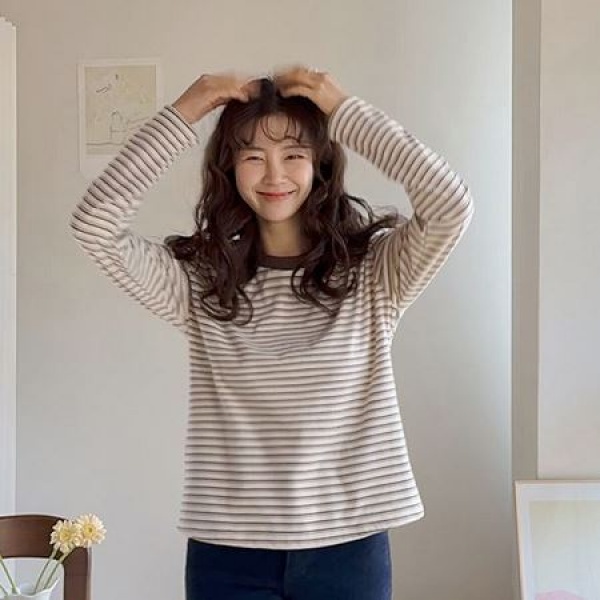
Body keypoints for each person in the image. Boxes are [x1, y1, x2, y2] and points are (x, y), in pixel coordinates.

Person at [70, 66, 473, 600]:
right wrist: (186, 111)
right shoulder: (201, 283)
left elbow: (450, 206)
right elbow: (94, 226)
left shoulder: (374, 274)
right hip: (227, 553)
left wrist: (343, 109)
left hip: (349, 546)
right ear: (229, 167)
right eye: (253, 156)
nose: (274, 174)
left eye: (294, 154)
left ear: (319, 163)